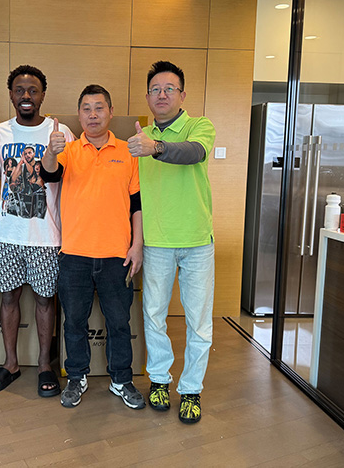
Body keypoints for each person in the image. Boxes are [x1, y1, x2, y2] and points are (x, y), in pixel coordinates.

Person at [40, 84, 145, 410]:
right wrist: (51, 150)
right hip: (74, 255)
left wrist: (137, 245)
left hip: (117, 255)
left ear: (111, 112)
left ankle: (121, 379)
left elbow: (137, 204)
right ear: (79, 114)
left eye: (99, 108)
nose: (93, 114)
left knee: (119, 323)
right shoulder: (68, 151)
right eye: (86, 108)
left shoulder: (128, 151)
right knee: (74, 322)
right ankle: (76, 377)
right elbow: (48, 174)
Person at [127, 60, 216, 424]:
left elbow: (195, 152)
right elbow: (133, 194)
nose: (161, 95)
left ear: (182, 94)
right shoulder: (139, 139)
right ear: (147, 96)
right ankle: (160, 381)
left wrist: (157, 147)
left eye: (169, 89)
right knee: (154, 316)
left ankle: (191, 389)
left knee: (199, 322)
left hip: (197, 241)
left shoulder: (199, 126)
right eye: (155, 89)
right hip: (157, 242)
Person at [0, 65, 74, 397]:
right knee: (8, 297)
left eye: (33, 90)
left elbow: (69, 182)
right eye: (19, 89)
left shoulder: (60, 132)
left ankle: (45, 364)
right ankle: (10, 363)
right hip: (8, 234)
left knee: (45, 300)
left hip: (46, 235)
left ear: (42, 95)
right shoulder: (0, 132)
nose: (26, 96)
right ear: (10, 94)